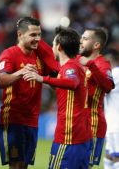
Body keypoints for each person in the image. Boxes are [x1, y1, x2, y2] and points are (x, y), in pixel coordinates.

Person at [23, 27, 92, 168]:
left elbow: (72, 83)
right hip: (81, 137)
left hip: (69, 138)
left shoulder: (70, 68)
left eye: (53, 44)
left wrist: (42, 78)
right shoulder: (74, 66)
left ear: (59, 47)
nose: (52, 48)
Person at [0, 16, 58, 169]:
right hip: (13, 117)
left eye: (39, 35)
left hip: (32, 119)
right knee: (16, 165)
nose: (37, 39)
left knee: (24, 165)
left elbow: (53, 83)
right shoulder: (9, 54)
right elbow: (1, 81)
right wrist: (20, 72)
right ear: (20, 35)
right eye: (32, 35)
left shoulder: (39, 57)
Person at [78, 27, 114, 168]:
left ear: (96, 45)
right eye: (81, 38)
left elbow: (108, 87)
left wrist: (91, 65)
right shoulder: (78, 61)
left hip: (93, 124)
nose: (81, 41)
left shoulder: (102, 64)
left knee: (85, 165)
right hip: (76, 123)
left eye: (85, 39)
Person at [103, 50, 119, 169]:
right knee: (109, 156)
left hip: (116, 124)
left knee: (116, 158)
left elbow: (102, 87)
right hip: (111, 123)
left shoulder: (116, 73)